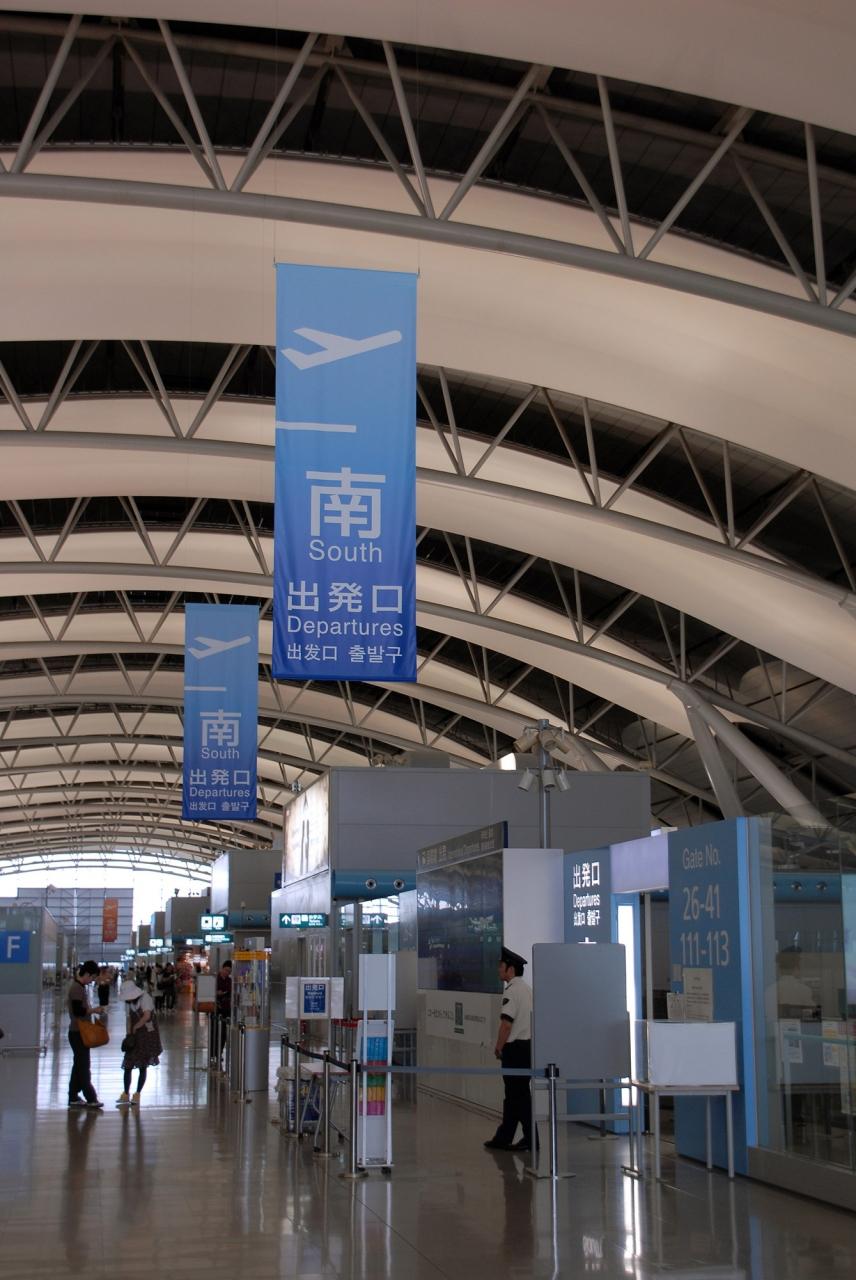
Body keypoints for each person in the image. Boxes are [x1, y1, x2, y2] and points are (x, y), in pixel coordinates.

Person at [484, 947, 533, 1152]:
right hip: (527, 1047)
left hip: (515, 1049)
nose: (499, 969)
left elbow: (506, 1024)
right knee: (515, 1096)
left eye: (501, 966)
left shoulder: (512, 991)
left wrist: (498, 1047)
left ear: (510, 969)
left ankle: (530, 1139)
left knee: (518, 1096)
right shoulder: (527, 989)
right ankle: (504, 1137)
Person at [116, 980, 162, 1107]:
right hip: (135, 1035)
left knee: (143, 1065)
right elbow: (128, 1019)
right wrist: (128, 1035)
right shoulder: (129, 1003)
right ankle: (126, 1093)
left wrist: (135, 1027)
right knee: (128, 1064)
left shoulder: (145, 998)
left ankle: (137, 1094)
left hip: (147, 1035)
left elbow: (147, 1016)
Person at [67, 960, 105, 1110]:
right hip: (78, 1033)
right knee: (83, 1067)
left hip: (78, 1032)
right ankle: (91, 1098)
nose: (93, 980)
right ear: (88, 974)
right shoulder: (77, 988)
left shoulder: (80, 987)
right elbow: (78, 1011)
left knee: (78, 1065)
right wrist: (94, 1010)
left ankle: (73, 1096)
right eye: (93, 977)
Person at [216, 959, 233, 1067]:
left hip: (227, 1008)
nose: (227, 973)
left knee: (224, 1033)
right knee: (216, 1032)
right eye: (226, 970)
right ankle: (214, 1052)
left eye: (229, 971)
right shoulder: (215, 979)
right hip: (217, 1008)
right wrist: (217, 993)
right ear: (222, 968)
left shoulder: (229, 981)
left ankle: (219, 1052)